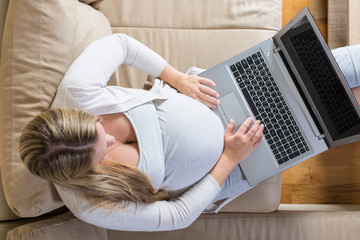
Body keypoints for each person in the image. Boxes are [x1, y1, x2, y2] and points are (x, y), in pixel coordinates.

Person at [19, 33, 264, 231]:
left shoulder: (77, 92)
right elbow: (176, 216)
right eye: (102, 151)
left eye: (99, 128)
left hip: (208, 99)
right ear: (80, 172)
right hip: (229, 168)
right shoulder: (88, 205)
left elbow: (121, 45)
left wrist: (178, 79)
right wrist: (230, 159)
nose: (111, 139)